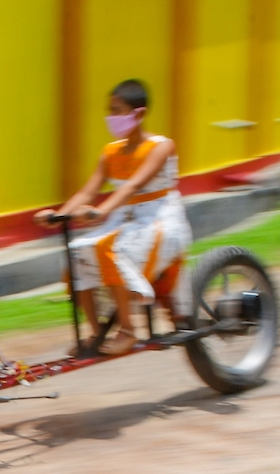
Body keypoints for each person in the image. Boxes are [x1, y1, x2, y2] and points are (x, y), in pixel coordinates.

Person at [34, 79, 192, 356]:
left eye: (118, 110)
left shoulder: (161, 147)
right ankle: (96, 331)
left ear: (139, 114)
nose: (112, 117)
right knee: (76, 252)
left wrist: (102, 212)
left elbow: (133, 186)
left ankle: (129, 330)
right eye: (110, 110)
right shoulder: (110, 153)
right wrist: (59, 215)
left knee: (109, 248)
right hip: (125, 220)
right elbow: (87, 191)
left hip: (160, 221)